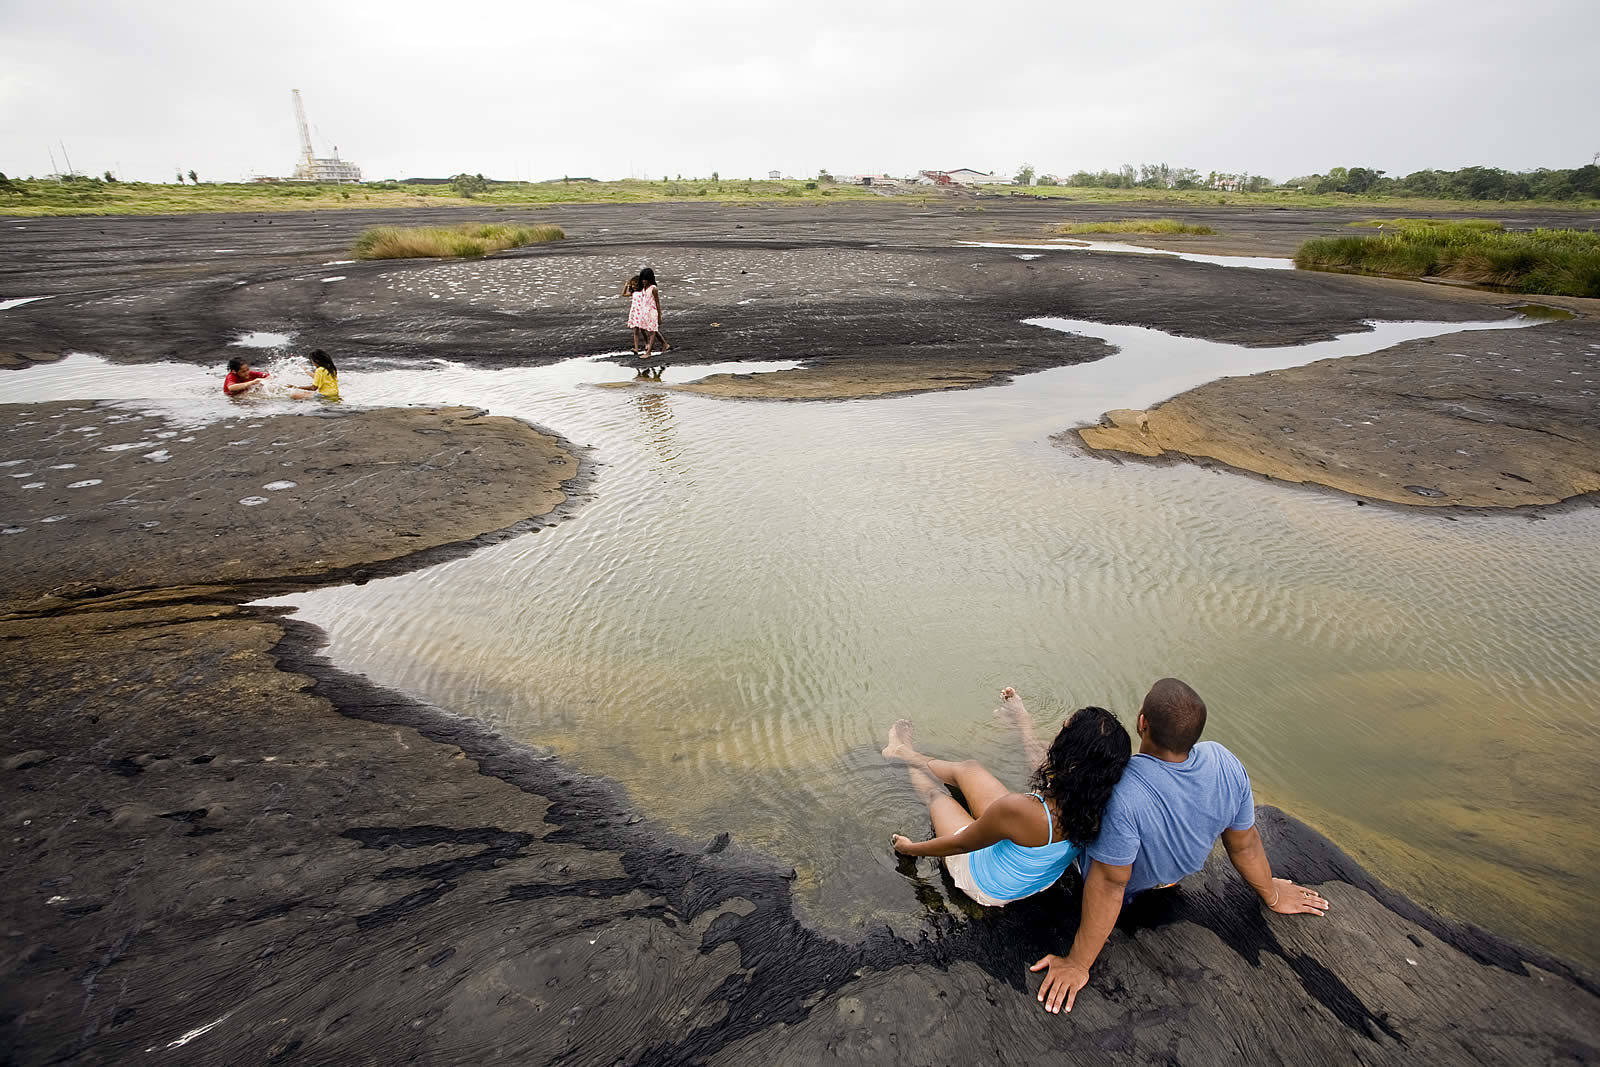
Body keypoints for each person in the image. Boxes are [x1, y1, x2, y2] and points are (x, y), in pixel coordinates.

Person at [1030, 678, 1330, 1014]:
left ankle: (1020, 726)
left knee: (1063, 771)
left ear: (1141, 722)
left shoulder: (1123, 789)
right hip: (1171, 878)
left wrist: (1077, 964)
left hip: (1127, 887)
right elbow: (1244, 844)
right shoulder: (1224, 761)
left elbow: (1110, 884)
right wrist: (1271, 894)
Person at [884, 688, 1131, 908]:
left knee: (937, 795)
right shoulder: (1097, 796)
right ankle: (905, 753)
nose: (1057, 734)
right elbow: (1045, 767)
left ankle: (903, 753)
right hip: (1032, 877)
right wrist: (1023, 722)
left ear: (1071, 756)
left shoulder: (1022, 811)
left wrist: (909, 849)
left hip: (984, 881)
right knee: (969, 769)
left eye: (1063, 731)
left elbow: (960, 845)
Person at [626, 267, 672, 360]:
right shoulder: (643, 288)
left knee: (652, 331)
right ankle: (665, 344)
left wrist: (659, 316)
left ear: (650, 279)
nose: (643, 281)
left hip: (652, 312)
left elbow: (657, 303)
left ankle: (649, 352)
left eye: (645, 279)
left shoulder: (653, 289)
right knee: (651, 329)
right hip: (644, 312)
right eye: (642, 279)